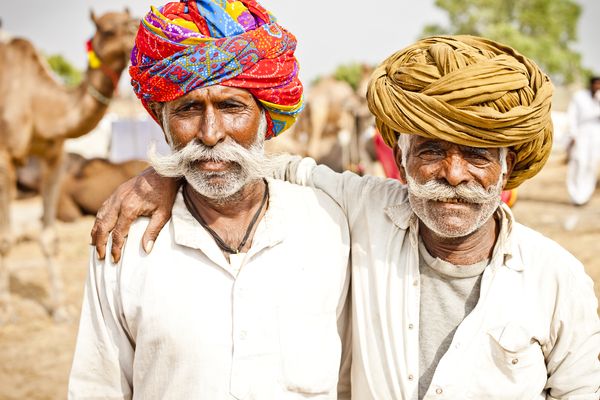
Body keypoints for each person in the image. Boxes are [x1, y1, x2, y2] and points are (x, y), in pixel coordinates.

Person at [93, 36, 600, 398]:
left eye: (479, 156)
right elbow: (260, 165)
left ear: (508, 167)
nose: (453, 174)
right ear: (398, 159)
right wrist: (166, 174)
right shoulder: (364, 213)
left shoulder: (556, 279)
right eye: (431, 150)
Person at [68, 1, 352, 399]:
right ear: (164, 122)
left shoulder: (329, 227)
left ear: (266, 116)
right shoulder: (124, 245)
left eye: (231, 106)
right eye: (187, 109)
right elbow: (97, 388)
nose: (211, 132)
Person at [566, 76, 600, 205]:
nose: (597, 86)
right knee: (578, 162)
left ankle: (585, 194)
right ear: (590, 84)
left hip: (597, 136)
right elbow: (572, 115)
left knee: (591, 164)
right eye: (595, 84)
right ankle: (575, 194)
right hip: (581, 134)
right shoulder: (579, 96)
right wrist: (572, 134)